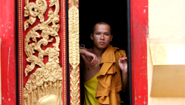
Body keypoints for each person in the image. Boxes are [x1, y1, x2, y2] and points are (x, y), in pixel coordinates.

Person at [80, 22, 128, 105]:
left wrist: (124, 71)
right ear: (92, 36)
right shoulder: (84, 57)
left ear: (111, 38)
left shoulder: (117, 56)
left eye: (106, 34)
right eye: (98, 33)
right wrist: (83, 52)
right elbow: (62, 51)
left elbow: (123, 89)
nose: (102, 38)